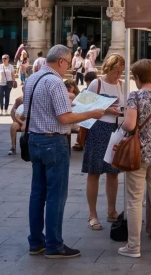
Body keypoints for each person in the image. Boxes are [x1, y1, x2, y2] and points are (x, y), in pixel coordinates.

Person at [23, 45, 105, 259]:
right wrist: (92, 113)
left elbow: (35, 109)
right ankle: (54, 245)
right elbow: (65, 118)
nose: (68, 67)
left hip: (34, 140)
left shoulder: (33, 78)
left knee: (37, 193)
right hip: (53, 141)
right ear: (60, 61)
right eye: (68, 63)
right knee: (56, 195)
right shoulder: (55, 82)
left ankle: (36, 242)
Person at [119, 59, 151, 259]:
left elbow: (130, 125)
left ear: (137, 78)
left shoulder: (135, 96)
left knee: (134, 200)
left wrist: (123, 122)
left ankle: (134, 246)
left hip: (138, 154)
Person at [82, 54, 126, 231]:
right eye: (116, 71)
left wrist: (122, 111)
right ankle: (92, 215)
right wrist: (106, 109)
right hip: (98, 129)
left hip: (116, 129)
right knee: (94, 172)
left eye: (121, 72)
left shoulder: (122, 85)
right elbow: (83, 106)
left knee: (113, 173)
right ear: (108, 68)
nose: (118, 75)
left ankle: (111, 210)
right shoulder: (96, 84)